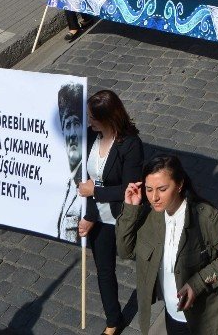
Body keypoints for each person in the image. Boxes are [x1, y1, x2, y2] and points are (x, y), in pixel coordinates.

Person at [116, 153, 218, 334]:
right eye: (149, 189)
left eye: (162, 189)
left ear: (179, 184)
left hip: (209, 320)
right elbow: (125, 251)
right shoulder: (149, 217)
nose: (154, 198)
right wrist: (130, 209)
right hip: (174, 316)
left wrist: (198, 283)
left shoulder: (206, 216)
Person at [77, 90, 144, 335]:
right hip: (98, 217)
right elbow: (84, 179)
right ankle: (113, 320)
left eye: (93, 117)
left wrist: (96, 191)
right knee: (104, 271)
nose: (89, 121)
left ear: (108, 117)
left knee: (143, 260)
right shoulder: (89, 137)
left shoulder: (130, 145)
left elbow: (130, 188)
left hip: (122, 217)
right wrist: (91, 215)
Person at [57, 82, 84, 242]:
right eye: (68, 125)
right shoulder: (67, 181)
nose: (72, 133)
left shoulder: (91, 168)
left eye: (77, 124)